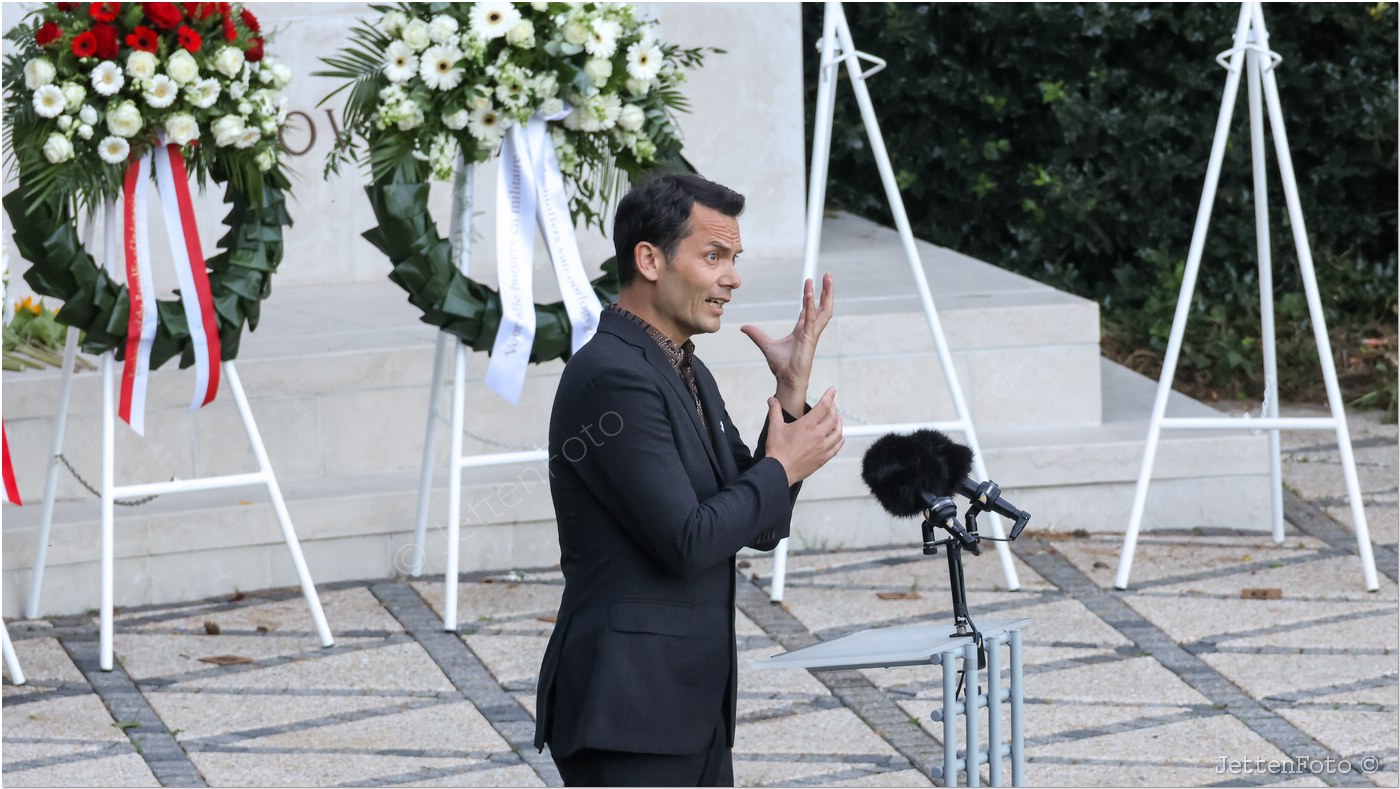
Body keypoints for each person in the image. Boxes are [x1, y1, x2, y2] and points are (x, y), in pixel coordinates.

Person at [533, 172, 844, 786]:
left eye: (734, 258)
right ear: (650, 259)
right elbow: (688, 540)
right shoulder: (612, 377)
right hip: (629, 709)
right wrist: (785, 466)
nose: (732, 277)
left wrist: (790, 393)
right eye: (714, 255)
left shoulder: (684, 370)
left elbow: (758, 523)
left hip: (689, 707)